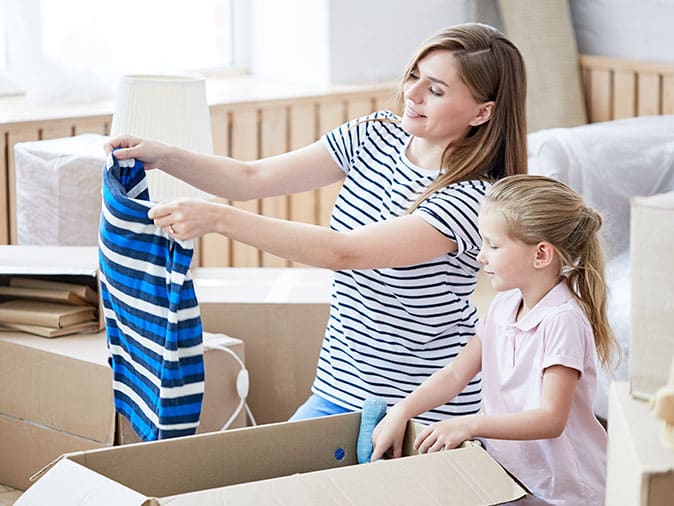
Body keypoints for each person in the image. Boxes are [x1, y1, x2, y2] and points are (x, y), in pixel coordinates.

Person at [104, 22, 528, 423]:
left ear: (481, 113)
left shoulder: (473, 198)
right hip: (338, 385)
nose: (411, 94)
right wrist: (165, 157)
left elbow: (344, 252)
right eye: (413, 75)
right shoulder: (374, 134)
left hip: (422, 406)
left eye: (435, 90)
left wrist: (217, 218)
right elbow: (251, 177)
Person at [371, 174, 619, 505]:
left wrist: (470, 425)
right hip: (516, 480)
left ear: (541, 255)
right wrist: (401, 411)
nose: (481, 256)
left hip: (566, 493)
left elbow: (551, 419)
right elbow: (456, 374)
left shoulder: (563, 321)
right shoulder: (504, 305)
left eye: (494, 245)